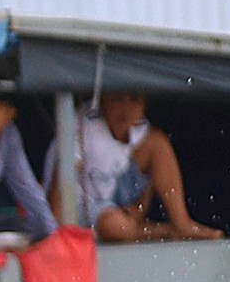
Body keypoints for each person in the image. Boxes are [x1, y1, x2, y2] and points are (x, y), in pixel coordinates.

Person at [62, 93, 221, 242]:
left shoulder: (139, 128)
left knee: (157, 143)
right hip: (85, 209)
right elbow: (59, 190)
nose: (126, 108)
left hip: (115, 199)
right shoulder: (83, 127)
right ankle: (161, 231)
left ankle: (182, 224)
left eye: (135, 99)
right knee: (115, 225)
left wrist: (140, 205)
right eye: (118, 99)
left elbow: (146, 178)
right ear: (103, 99)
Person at [0, 96, 58, 241]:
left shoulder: (8, 134)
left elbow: (27, 188)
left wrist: (53, 236)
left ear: (11, 113)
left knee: (29, 228)